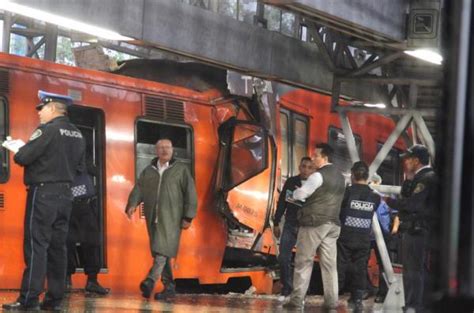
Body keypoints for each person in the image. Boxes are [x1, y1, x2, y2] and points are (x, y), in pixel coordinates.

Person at [2, 91, 85, 311]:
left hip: (43, 194)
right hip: (66, 196)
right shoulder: (77, 134)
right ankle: (54, 300)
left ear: (54, 109)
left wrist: (19, 150)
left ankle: (28, 300)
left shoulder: (47, 130)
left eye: (42, 109)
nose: (39, 113)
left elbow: (23, 157)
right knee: (58, 248)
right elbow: (79, 168)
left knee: (36, 246)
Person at [125, 139, 197, 300]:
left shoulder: (181, 170)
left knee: (162, 250)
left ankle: (150, 280)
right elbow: (139, 188)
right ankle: (169, 288)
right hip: (153, 217)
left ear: (173, 150)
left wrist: (188, 216)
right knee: (160, 250)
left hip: (172, 218)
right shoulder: (148, 171)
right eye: (161, 147)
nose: (165, 150)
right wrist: (132, 204)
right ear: (156, 150)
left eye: (168, 147)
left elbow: (191, 193)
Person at [283, 143, 346, 311]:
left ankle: (296, 301)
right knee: (329, 265)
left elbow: (302, 194)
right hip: (333, 224)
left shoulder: (318, 176)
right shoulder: (341, 177)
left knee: (304, 261)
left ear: (324, 158)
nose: (313, 158)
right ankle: (331, 302)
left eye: (316, 155)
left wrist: (296, 193)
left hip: (314, 223)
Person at [386, 144, 437, 313]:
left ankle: (414, 306)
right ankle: (414, 305)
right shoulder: (419, 178)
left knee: (413, 271)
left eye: (408, 159)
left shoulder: (426, 178)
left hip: (417, 231)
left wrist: (389, 201)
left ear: (416, 160)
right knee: (416, 270)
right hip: (417, 230)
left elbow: (414, 204)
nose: (406, 162)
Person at [337, 162, 381, 312]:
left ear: (353, 175)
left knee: (340, 266)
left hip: (345, 236)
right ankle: (357, 299)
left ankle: (334, 294)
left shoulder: (346, 192)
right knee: (360, 269)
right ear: (367, 176)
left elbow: (339, 210)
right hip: (363, 239)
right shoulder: (375, 197)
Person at [273, 157, 314, 296]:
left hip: (306, 226)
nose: (306, 170)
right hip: (290, 224)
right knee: (284, 257)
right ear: (299, 167)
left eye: (309, 167)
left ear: (313, 169)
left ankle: (302, 289)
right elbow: (282, 203)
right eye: (304, 166)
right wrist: (276, 222)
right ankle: (287, 287)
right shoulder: (291, 182)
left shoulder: (315, 185)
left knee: (303, 260)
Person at [66, 162, 109, 295]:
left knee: (91, 243)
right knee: (67, 244)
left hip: (86, 206)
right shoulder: (64, 155)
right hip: (70, 206)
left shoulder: (82, 158)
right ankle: (67, 280)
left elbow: (97, 170)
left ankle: (91, 281)